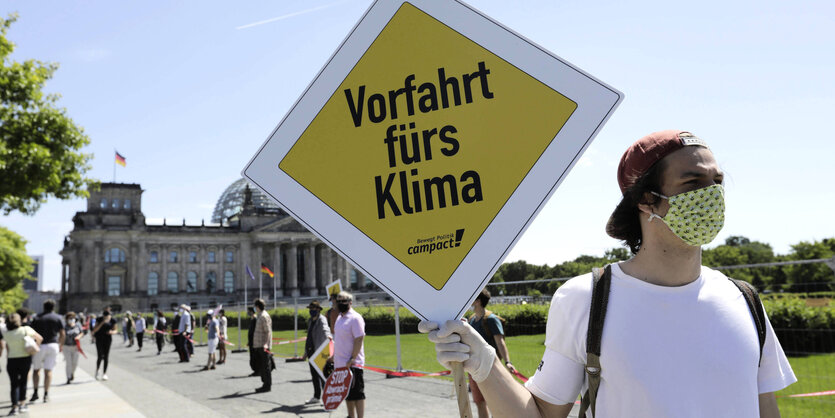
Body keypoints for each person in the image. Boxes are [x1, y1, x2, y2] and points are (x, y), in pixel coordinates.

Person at [420, 130, 797, 417]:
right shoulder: (587, 298)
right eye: (693, 183)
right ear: (647, 200)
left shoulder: (744, 299)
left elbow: (766, 409)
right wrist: (483, 362)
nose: (712, 194)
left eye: (716, 182)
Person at [467, 289, 515, 418]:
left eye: (472, 297)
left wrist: (508, 362)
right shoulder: (471, 320)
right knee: (479, 402)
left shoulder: (491, 319)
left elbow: (500, 342)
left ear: (478, 301)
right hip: (474, 368)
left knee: (494, 403)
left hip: (490, 368)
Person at [332, 291, 366, 418]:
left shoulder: (355, 318)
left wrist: (352, 358)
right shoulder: (339, 318)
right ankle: (350, 416)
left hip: (353, 363)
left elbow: (359, 339)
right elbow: (339, 340)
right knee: (347, 393)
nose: (341, 303)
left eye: (344, 300)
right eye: (338, 300)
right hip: (341, 364)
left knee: (357, 393)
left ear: (350, 302)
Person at [3, 313, 43, 415]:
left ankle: (14, 406)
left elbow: (7, 347)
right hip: (24, 358)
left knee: (14, 384)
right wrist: (35, 347)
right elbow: (39, 338)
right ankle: (22, 403)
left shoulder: (6, 332)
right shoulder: (25, 329)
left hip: (12, 359)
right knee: (23, 382)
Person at [30, 299, 65, 403]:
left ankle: (35, 392)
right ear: (53, 307)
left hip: (40, 345)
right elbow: (62, 334)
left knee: (36, 370)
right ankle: (46, 394)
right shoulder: (58, 318)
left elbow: (32, 333)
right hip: (53, 344)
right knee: (48, 371)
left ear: (44, 306)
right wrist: (60, 345)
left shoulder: (37, 317)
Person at [302, 300, 332, 404]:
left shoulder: (322, 319)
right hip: (311, 351)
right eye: (310, 309)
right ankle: (316, 396)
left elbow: (325, 329)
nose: (311, 311)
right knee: (314, 375)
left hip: (319, 351)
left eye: (313, 309)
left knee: (322, 376)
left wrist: (328, 336)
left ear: (318, 310)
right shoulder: (310, 320)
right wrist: (305, 352)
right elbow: (309, 337)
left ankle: (328, 397)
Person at [252, 299, 273, 393]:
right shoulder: (260, 315)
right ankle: (264, 383)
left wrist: (266, 343)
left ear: (257, 307)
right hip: (259, 344)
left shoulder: (264, 316)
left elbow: (268, 331)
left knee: (265, 366)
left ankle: (267, 385)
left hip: (263, 345)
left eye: (255, 306)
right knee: (262, 365)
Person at [92, 309, 118, 380]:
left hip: (108, 339)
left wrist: (112, 332)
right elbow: (95, 330)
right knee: (100, 355)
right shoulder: (99, 319)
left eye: (108, 315)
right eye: (105, 315)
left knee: (106, 356)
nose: (107, 316)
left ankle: (105, 373)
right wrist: (102, 322)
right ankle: (97, 370)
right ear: (103, 315)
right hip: (99, 339)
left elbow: (116, 330)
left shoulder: (113, 320)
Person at [63, 312, 85, 384]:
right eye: (70, 318)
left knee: (75, 363)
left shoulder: (78, 325)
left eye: (73, 318)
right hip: (66, 346)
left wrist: (79, 336)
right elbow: (61, 335)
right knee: (68, 362)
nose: (71, 319)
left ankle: (72, 373)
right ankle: (68, 377)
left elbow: (82, 332)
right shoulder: (64, 326)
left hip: (75, 346)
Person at [247, 307, 258, 376]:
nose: (247, 312)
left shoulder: (255, 319)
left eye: (248, 311)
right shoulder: (252, 319)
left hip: (254, 341)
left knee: (254, 356)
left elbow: (255, 331)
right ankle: (255, 370)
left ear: (251, 311)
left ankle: (257, 370)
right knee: (252, 356)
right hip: (251, 341)